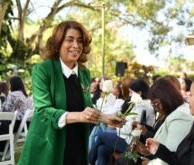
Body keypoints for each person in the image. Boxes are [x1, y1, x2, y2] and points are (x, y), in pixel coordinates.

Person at [18, 20, 124, 165]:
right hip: (50, 146)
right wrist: (80, 116)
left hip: (77, 144)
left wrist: (105, 118)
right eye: (70, 40)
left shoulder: (83, 73)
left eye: (80, 41)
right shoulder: (43, 70)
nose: (76, 45)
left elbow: (86, 106)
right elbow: (43, 111)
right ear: (58, 43)